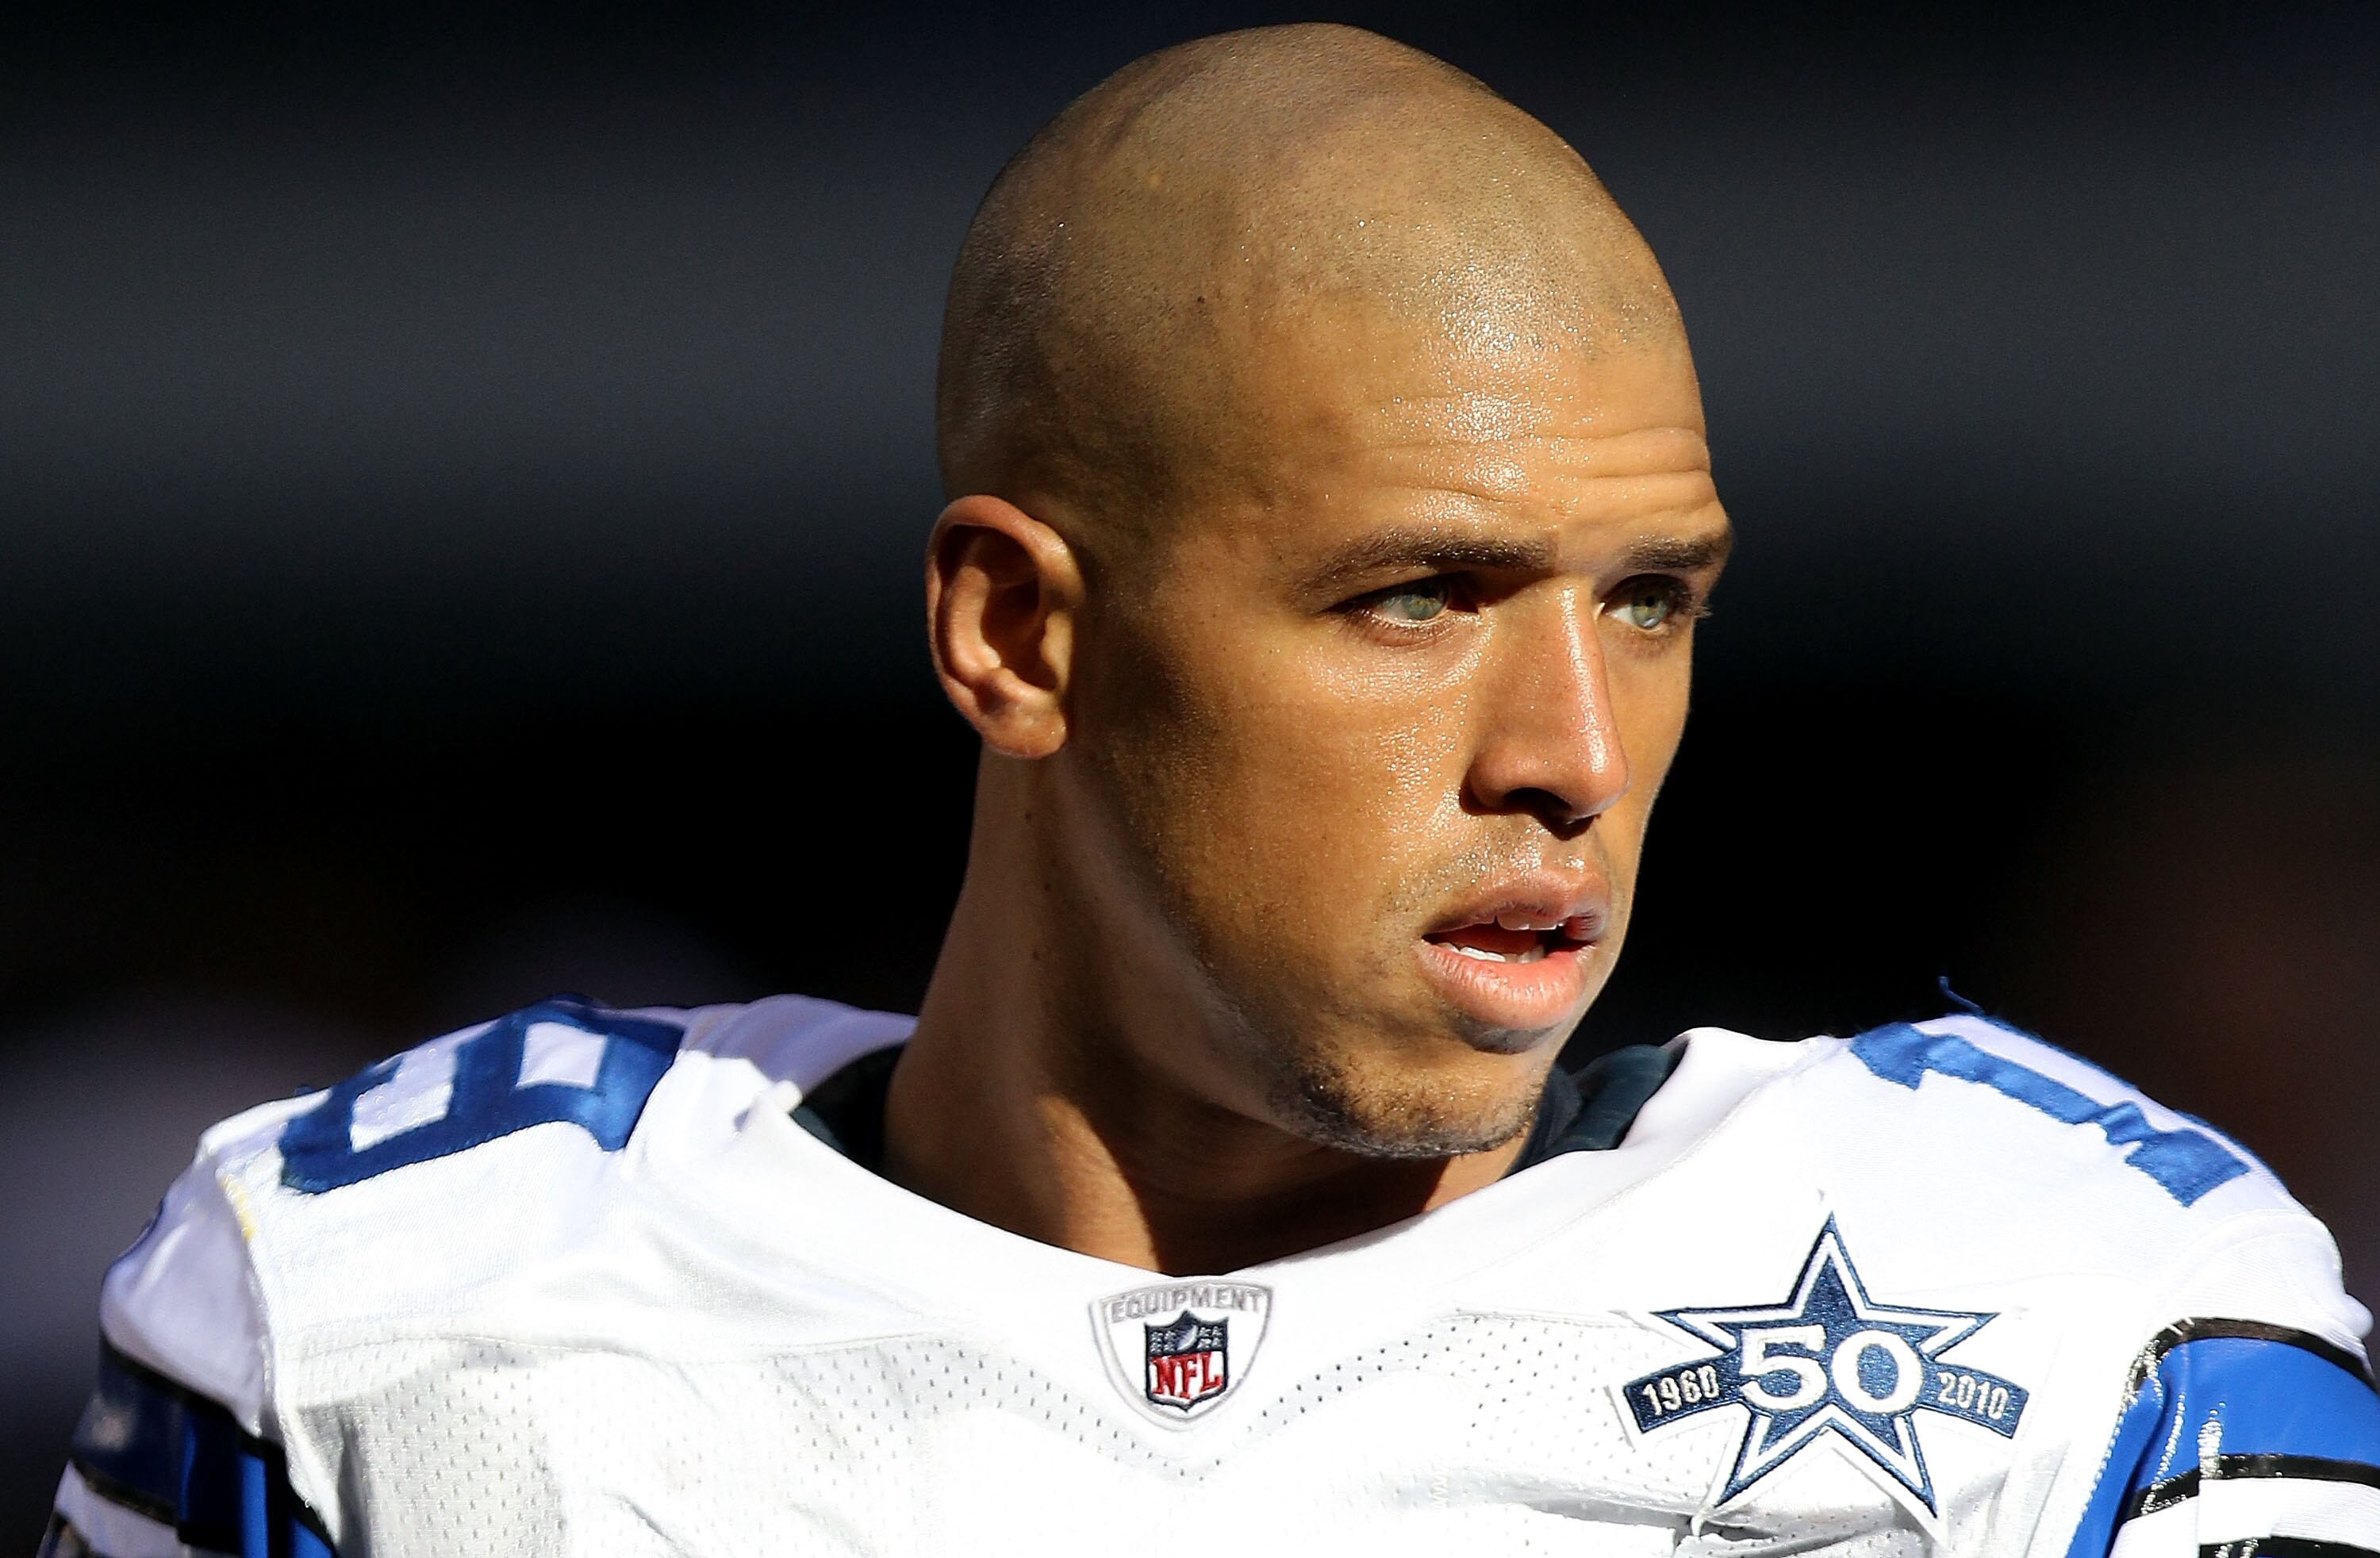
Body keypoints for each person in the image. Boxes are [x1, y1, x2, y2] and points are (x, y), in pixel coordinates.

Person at [42, 24, 2378, 1558]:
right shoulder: (397, 1320)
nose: (1570, 750)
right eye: (1420, 595)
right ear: (1020, 635)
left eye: (1652, 600)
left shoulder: (2083, 1324)